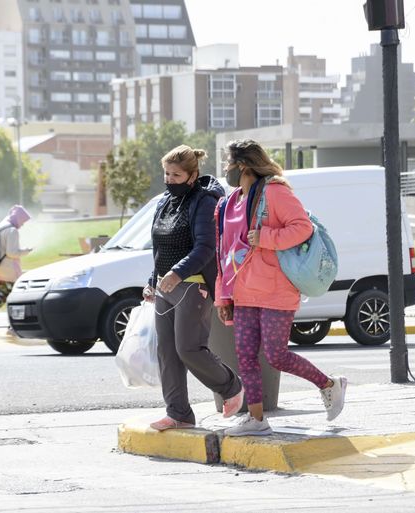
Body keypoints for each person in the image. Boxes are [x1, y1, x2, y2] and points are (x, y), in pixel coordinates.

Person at [215, 139, 346, 436]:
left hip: (276, 290)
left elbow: (302, 227)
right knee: (246, 356)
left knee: (276, 356)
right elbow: (223, 251)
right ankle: (257, 420)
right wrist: (223, 295)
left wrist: (266, 237)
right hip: (243, 292)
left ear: (243, 166)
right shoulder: (230, 202)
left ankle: (329, 384)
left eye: (228, 163)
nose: (226, 169)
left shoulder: (274, 191)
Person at [144, 144, 244, 431]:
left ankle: (231, 386)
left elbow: (205, 247)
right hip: (165, 286)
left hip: (193, 285)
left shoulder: (204, 201)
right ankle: (178, 414)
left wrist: (177, 272)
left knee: (188, 348)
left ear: (192, 175)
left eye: (176, 175)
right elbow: (160, 248)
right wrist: (153, 281)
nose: (169, 180)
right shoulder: (165, 202)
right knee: (167, 352)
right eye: (166, 174)